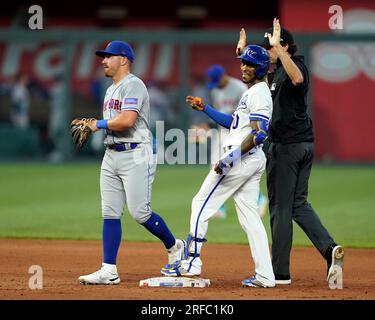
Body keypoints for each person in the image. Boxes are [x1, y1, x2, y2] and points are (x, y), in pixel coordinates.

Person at [237, 19, 344, 288]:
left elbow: (297, 77)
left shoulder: (296, 66)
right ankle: (330, 249)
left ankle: (279, 273)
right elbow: (256, 76)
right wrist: (242, 54)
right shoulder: (276, 74)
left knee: (280, 209)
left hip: (288, 147)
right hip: (300, 144)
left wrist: (280, 51)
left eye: (270, 46)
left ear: (283, 45)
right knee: (298, 205)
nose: (267, 51)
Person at [161, 45, 275, 288]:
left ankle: (191, 262)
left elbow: (259, 134)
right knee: (250, 218)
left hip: (240, 160)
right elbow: (235, 123)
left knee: (200, 203)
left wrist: (230, 160)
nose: (243, 66)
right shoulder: (253, 91)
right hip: (249, 160)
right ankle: (265, 274)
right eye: (243, 62)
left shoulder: (259, 93)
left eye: (249, 64)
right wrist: (205, 109)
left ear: (262, 67)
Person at [77, 41, 185, 285]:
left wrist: (98, 124)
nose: (103, 60)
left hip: (136, 154)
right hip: (111, 153)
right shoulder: (110, 89)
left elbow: (127, 120)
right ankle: (109, 269)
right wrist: (98, 128)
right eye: (102, 57)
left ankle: (175, 246)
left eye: (108, 56)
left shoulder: (134, 85)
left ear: (123, 60)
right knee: (109, 212)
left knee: (140, 213)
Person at [206, 64, 248, 219]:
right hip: (221, 132)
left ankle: (258, 199)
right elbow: (218, 112)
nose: (216, 84)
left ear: (224, 76)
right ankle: (219, 207)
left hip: (238, 133)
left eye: (218, 81)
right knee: (215, 167)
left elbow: (246, 112)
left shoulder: (239, 87)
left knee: (234, 169)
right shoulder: (215, 90)